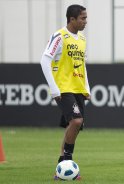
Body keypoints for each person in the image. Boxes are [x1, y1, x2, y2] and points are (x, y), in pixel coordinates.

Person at [40, 4, 90, 180]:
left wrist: (87, 87)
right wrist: (54, 88)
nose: (85, 21)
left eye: (86, 18)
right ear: (72, 19)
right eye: (82, 18)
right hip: (63, 88)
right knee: (76, 121)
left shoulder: (82, 39)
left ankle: (60, 168)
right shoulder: (60, 36)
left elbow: (82, 64)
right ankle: (67, 162)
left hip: (77, 87)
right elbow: (44, 60)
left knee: (74, 127)